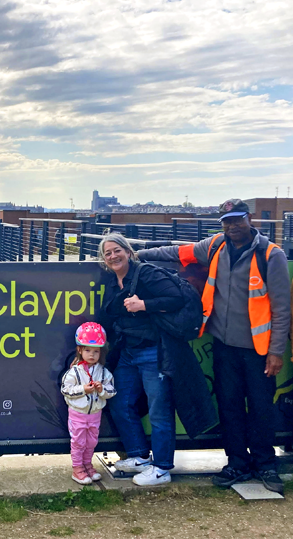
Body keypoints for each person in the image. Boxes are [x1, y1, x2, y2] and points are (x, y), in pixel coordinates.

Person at [137, 199, 291, 494]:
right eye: (227, 221)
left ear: (250, 219)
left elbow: (282, 309)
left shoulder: (271, 255)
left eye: (237, 220)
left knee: (261, 408)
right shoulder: (215, 246)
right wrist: (135, 255)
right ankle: (236, 463)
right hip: (223, 346)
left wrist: (275, 351)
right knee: (229, 407)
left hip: (259, 351)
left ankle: (265, 464)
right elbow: (175, 252)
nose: (232, 226)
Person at [98, 233, 185, 486]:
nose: (113, 256)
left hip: (153, 351)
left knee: (159, 411)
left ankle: (162, 468)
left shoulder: (146, 273)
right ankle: (138, 456)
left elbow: (175, 299)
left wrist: (144, 304)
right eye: (108, 253)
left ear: (128, 251)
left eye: (117, 250)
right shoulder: (115, 281)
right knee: (120, 403)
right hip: (128, 351)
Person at [61, 322, 116, 485]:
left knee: (91, 441)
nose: (91, 355)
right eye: (87, 350)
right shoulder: (74, 371)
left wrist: (101, 390)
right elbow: (66, 389)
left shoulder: (104, 372)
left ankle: (87, 465)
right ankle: (77, 468)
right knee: (79, 442)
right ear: (79, 350)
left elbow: (112, 391)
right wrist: (83, 389)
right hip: (78, 413)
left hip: (95, 414)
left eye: (96, 351)